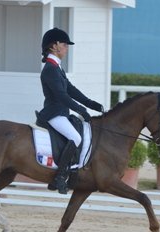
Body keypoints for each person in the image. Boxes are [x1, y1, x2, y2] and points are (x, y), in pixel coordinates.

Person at [37, 27, 104, 194]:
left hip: (61, 113)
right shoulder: (50, 69)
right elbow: (61, 96)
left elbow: (71, 90)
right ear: (54, 46)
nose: (67, 48)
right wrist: (81, 111)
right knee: (75, 137)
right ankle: (60, 177)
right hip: (54, 114)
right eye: (65, 44)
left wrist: (91, 104)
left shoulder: (57, 67)